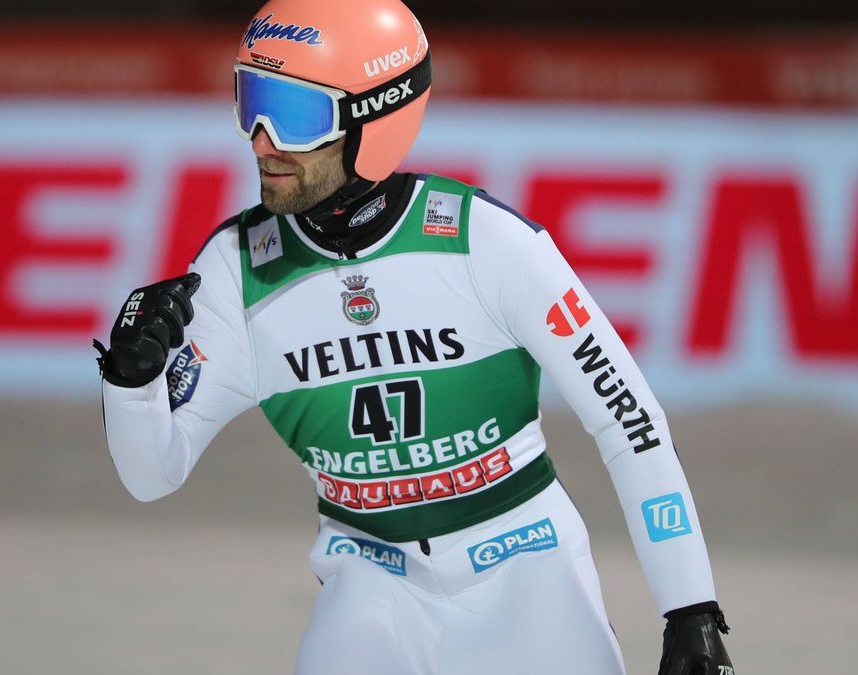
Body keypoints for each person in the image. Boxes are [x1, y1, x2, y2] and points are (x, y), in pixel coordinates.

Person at [93, 1, 734, 673]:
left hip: (530, 569)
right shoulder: (233, 271)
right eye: (251, 102)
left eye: (295, 115)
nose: (261, 139)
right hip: (369, 588)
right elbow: (150, 475)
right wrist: (131, 383)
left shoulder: (483, 243)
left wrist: (690, 609)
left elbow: (630, 422)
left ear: (377, 116)